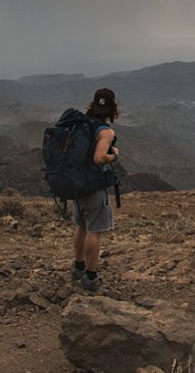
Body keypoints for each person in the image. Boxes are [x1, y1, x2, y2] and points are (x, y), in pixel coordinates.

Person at [72, 87, 120, 293]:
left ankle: (78, 267)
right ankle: (91, 278)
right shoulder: (105, 131)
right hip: (93, 185)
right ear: (112, 108)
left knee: (82, 225)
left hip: (76, 184)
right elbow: (99, 158)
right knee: (95, 230)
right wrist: (114, 156)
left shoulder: (81, 124)